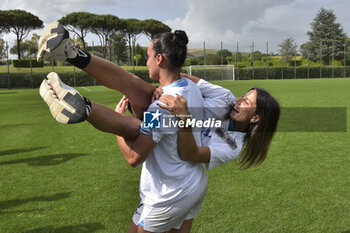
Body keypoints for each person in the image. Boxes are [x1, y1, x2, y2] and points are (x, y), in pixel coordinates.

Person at [38, 22, 207, 233]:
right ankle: (85, 98)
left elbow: (134, 158)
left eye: (148, 56)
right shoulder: (191, 88)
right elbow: (134, 85)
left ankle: (86, 102)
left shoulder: (159, 108)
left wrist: (118, 119)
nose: (146, 63)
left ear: (159, 59)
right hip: (194, 184)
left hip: (167, 195)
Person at [155, 73, 280, 170]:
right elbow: (182, 76)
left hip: (167, 150)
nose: (238, 100)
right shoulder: (225, 97)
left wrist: (184, 117)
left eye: (246, 102)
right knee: (141, 94)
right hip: (161, 113)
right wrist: (165, 86)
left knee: (136, 154)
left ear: (255, 118)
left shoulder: (233, 147)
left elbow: (190, 154)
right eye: (242, 96)